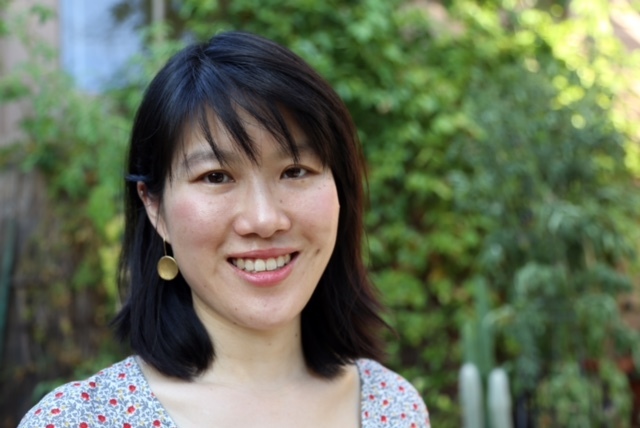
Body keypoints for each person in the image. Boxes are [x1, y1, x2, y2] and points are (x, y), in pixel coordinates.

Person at [18, 31, 430, 428]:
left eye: (295, 171)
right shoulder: (80, 421)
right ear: (154, 205)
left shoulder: (392, 407)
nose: (265, 220)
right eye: (216, 176)